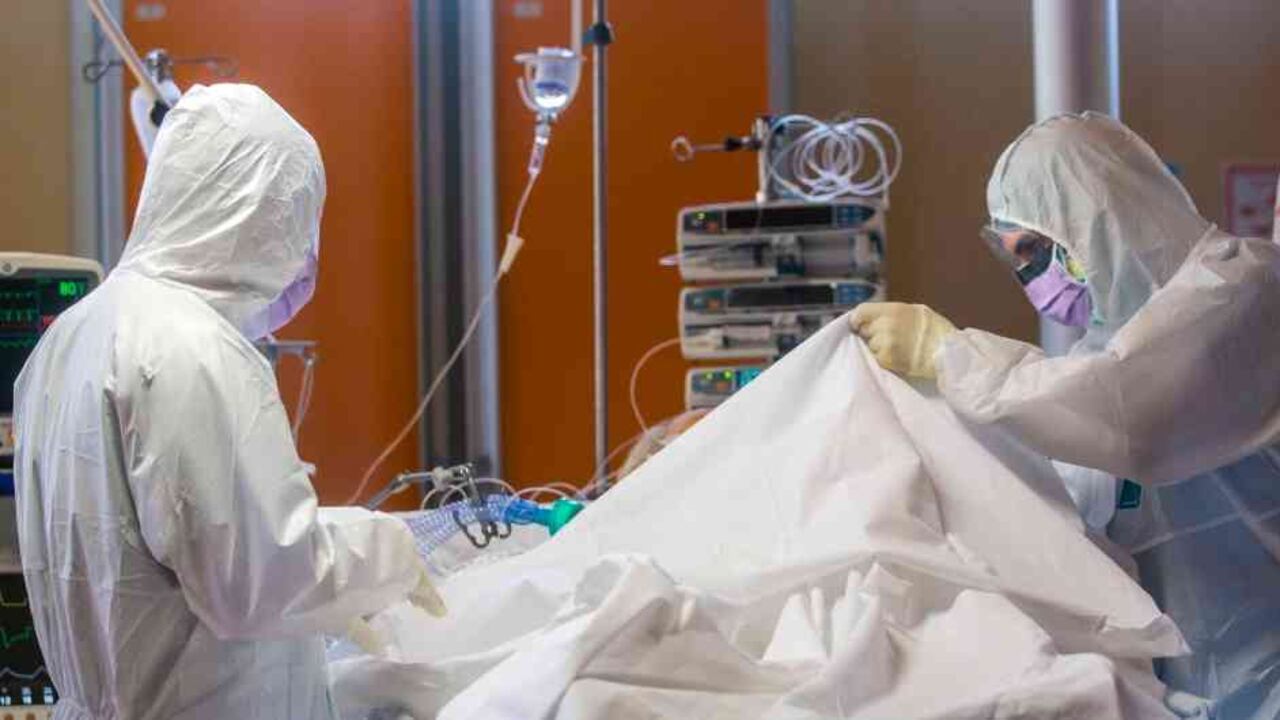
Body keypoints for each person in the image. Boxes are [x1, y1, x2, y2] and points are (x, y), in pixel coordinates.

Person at [13, 84, 442, 720]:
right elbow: (258, 578)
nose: (305, 257)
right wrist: (390, 553)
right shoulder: (192, 348)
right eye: (299, 220)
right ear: (261, 211)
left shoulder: (70, 337)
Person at [850, 112, 1280, 717]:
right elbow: (1062, 498)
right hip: (1194, 696)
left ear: (1100, 213)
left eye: (1035, 251)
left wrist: (944, 354)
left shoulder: (1245, 290)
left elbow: (1135, 418)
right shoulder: (1091, 363)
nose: (1033, 279)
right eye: (1017, 262)